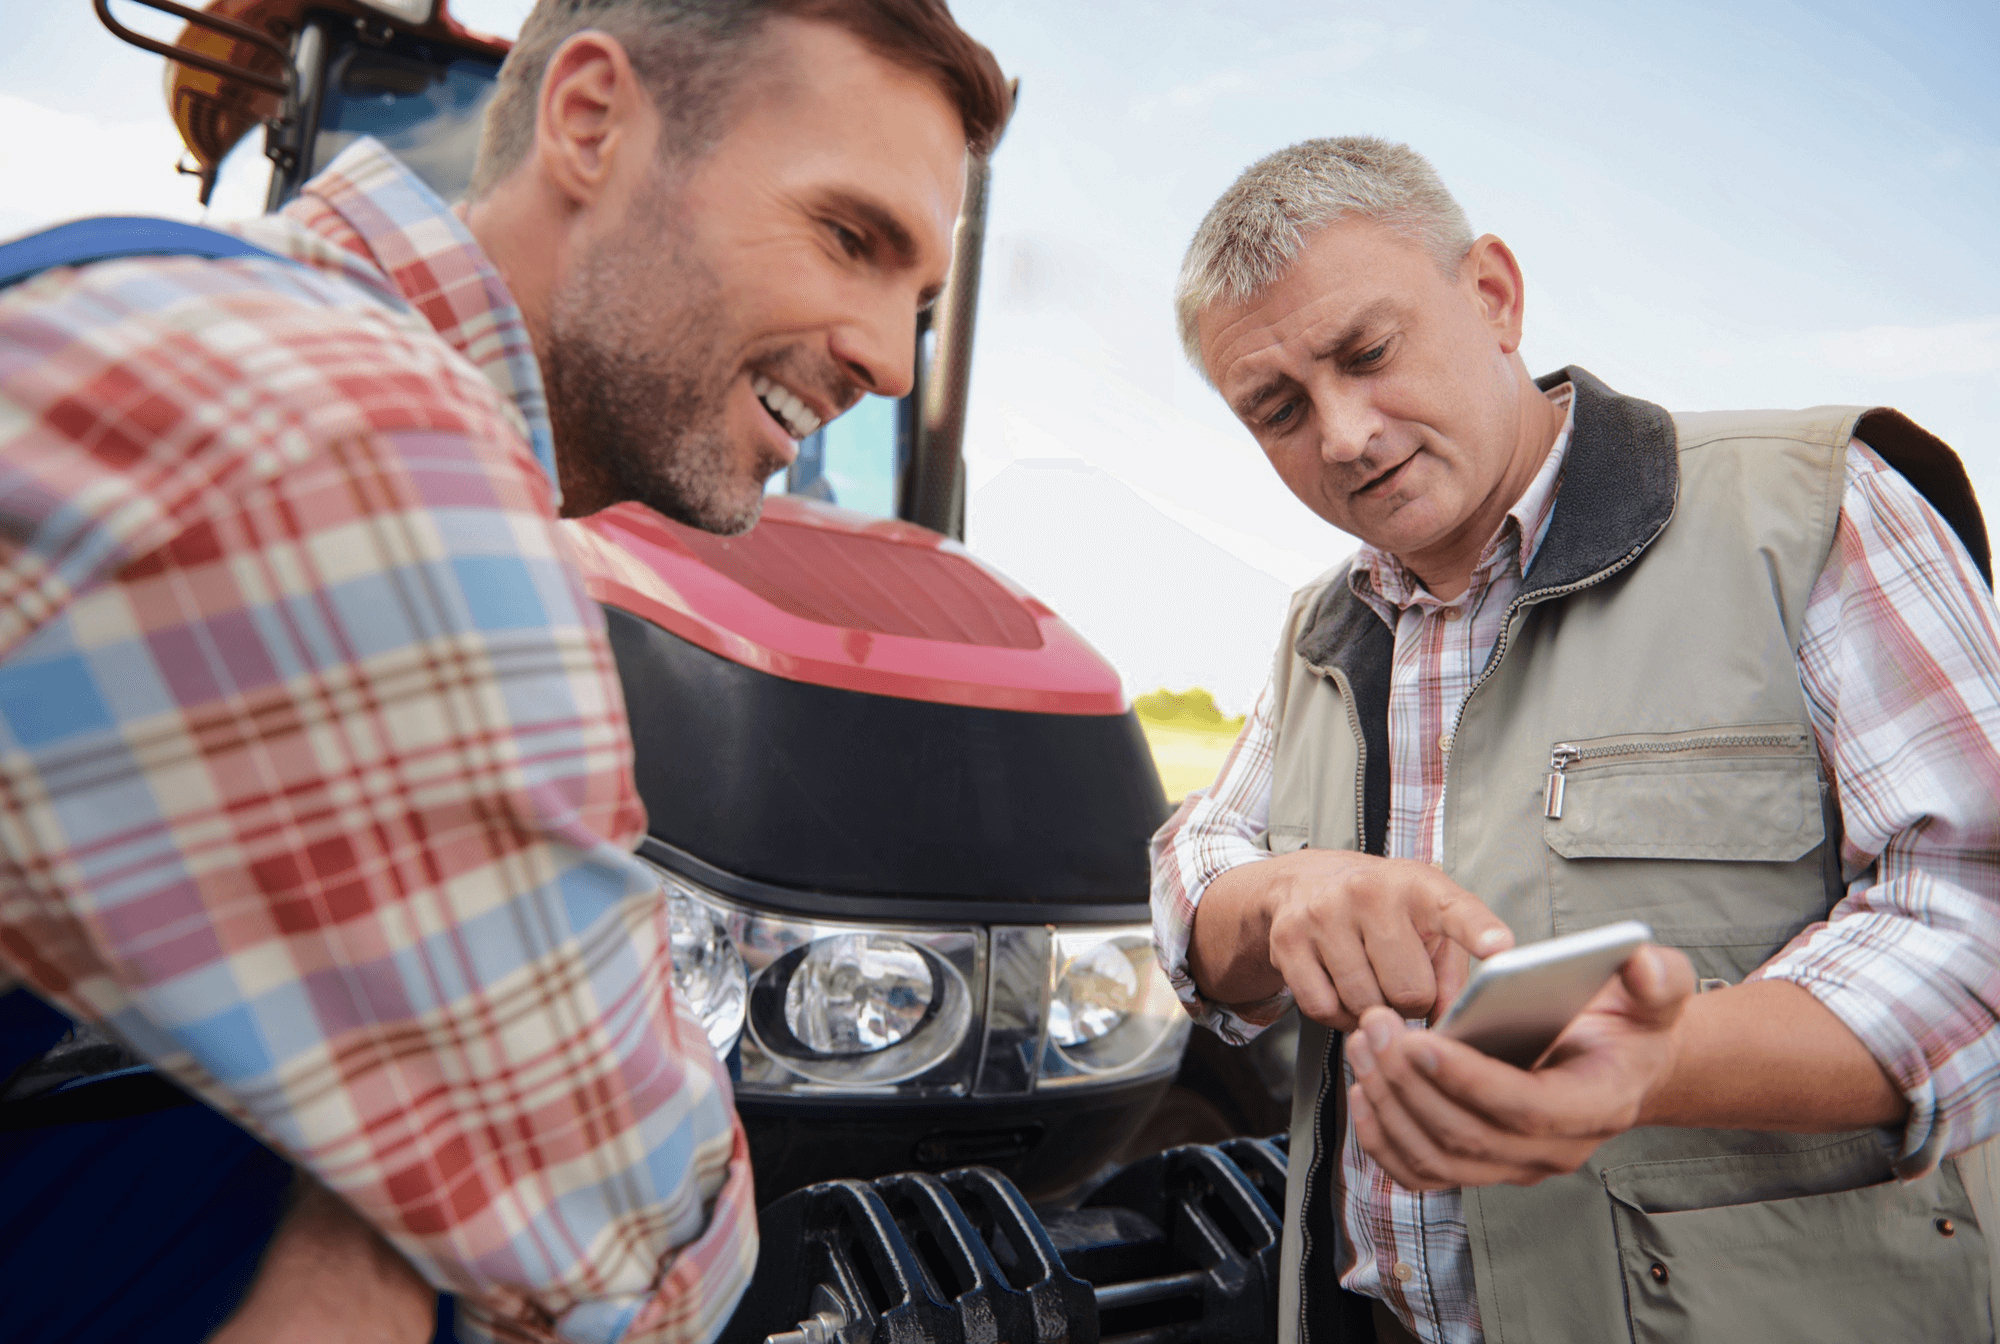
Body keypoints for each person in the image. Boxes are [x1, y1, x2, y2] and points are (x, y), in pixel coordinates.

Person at [0, 2, 1007, 1341]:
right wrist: (396, 1227)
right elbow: (646, 1267)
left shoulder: (210, 308)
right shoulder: (368, 440)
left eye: (919, 300)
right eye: (846, 238)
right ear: (590, 121)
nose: (886, 354)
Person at [1152, 136, 2000, 1344]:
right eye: (1278, 409)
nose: (1340, 435)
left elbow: (1972, 918)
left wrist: (1663, 1060)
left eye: (1367, 353)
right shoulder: (1319, 630)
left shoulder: (1811, 508)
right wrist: (1281, 896)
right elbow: (1200, 860)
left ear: (1491, 296)